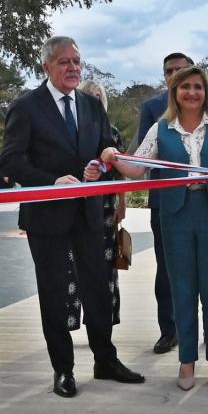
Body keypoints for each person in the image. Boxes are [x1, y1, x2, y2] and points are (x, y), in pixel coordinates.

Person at [2, 35, 144, 398]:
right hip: (46, 218)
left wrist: (100, 163)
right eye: (64, 62)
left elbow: (100, 150)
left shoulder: (91, 106)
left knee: (97, 287)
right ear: (47, 66)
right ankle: (63, 370)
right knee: (53, 293)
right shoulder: (27, 107)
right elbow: (11, 161)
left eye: (77, 62)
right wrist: (51, 181)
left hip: (88, 214)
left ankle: (105, 360)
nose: (73, 68)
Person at [104, 65, 208, 391]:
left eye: (198, 87)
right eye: (186, 87)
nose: (192, 93)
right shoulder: (160, 128)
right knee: (182, 290)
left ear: (205, 92)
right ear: (175, 92)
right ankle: (186, 361)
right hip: (176, 216)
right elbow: (138, 168)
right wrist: (113, 157)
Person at [136, 51, 196, 355]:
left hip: (203, 202)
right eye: (168, 71)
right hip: (165, 201)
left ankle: (199, 326)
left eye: (180, 70)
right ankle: (168, 330)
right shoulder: (152, 109)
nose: (174, 75)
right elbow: (143, 157)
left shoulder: (207, 104)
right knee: (167, 268)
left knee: (201, 268)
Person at [80, 80, 127, 320]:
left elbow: (121, 172)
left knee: (108, 259)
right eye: (89, 95)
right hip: (79, 202)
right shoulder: (75, 129)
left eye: (98, 96)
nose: (94, 100)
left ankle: (106, 316)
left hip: (106, 204)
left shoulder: (113, 133)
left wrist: (122, 202)